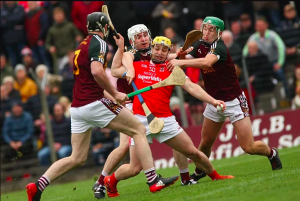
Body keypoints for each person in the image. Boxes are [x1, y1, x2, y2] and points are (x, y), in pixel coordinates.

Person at [26, 12, 178, 201]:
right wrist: (114, 94)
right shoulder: (99, 43)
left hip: (77, 108)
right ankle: (153, 180)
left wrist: (113, 96)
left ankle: (37, 186)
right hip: (94, 103)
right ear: (105, 27)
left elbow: (91, 79)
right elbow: (98, 72)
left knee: (77, 158)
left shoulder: (81, 45)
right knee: (139, 129)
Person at [103, 36, 234, 198]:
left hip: (166, 120)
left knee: (193, 153)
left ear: (169, 52)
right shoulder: (137, 66)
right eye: (157, 49)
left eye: (164, 50)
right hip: (140, 122)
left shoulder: (172, 69)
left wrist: (213, 101)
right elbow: (115, 69)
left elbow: (192, 87)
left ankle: (215, 176)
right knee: (134, 169)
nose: (160, 53)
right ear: (152, 49)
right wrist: (122, 51)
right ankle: (111, 180)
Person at [166, 16, 282, 182]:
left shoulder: (219, 47)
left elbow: (206, 63)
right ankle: (200, 171)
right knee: (205, 142)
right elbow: (181, 59)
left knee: (249, 147)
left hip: (234, 101)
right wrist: (164, 57)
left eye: (211, 29)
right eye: (205, 28)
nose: (206, 32)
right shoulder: (199, 44)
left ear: (219, 33)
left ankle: (272, 153)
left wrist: (181, 63)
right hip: (214, 101)